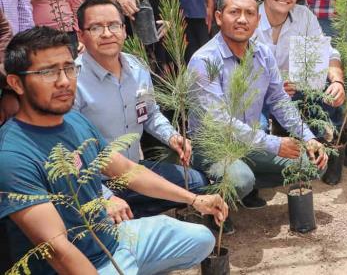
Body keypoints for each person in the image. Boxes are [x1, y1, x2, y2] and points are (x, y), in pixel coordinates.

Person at [0, 26, 227, 274]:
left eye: (68, 68)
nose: (64, 81)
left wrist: (194, 199)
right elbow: (58, 250)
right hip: (84, 266)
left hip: (115, 239)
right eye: (47, 72)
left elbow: (128, 169)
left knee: (201, 238)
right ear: (16, 83)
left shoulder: (75, 122)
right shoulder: (12, 155)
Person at [188, 0, 328, 208]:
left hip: (251, 142)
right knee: (241, 180)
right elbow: (219, 123)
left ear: (257, 19)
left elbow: (280, 101)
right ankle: (207, 201)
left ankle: (244, 183)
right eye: (234, 12)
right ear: (218, 17)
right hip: (214, 147)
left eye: (249, 13)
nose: (242, 20)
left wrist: (308, 137)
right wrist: (273, 143)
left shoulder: (262, 53)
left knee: (311, 163)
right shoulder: (204, 61)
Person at [72, 0, 208, 219]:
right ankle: (120, 213)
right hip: (96, 181)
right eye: (96, 27)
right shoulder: (72, 81)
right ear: (81, 35)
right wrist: (104, 196)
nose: (107, 34)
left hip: (135, 170)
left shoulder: (137, 67)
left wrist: (172, 137)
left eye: (114, 25)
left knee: (196, 182)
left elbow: (151, 113)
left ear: (125, 31)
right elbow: (71, 152)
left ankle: (133, 213)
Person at [250, 0, 345, 130]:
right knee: (258, 130)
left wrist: (337, 81)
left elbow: (329, 55)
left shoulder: (304, 17)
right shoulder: (249, 20)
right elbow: (237, 74)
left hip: (296, 92)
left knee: (326, 88)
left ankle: (322, 142)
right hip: (257, 95)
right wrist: (274, 87)